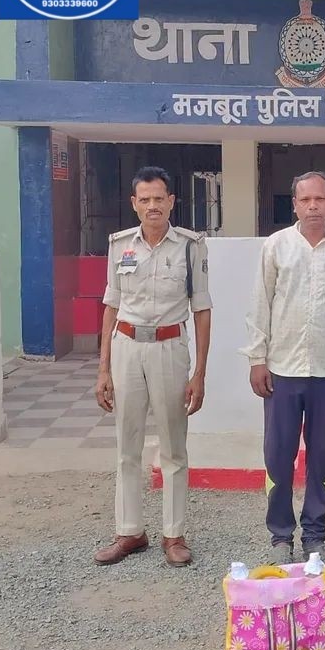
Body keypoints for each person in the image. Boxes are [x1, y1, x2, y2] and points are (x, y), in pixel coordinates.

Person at [243, 171, 325, 576]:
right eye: (305, 200)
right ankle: (281, 538)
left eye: (320, 199)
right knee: (277, 457)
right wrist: (257, 358)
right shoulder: (276, 246)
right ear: (295, 205)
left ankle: (316, 538)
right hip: (281, 371)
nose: (313, 206)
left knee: (321, 459)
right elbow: (260, 305)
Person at [94, 166, 212, 567]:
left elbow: (202, 310)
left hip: (169, 349)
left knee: (173, 446)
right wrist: (103, 369)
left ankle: (173, 535)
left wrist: (199, 373)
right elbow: (111, 305)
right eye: (144, 200)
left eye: (159, 198)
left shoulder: (190, 247)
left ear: (171, 201)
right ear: (134, 203)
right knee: (126, 446)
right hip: (126, 347)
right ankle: (129, 531)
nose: (152, 206)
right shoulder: (119, 246)